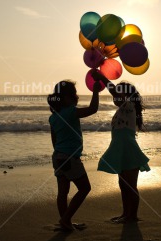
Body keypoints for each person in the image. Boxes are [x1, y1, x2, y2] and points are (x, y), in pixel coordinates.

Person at [92, 71, 150, 223]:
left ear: (127, 97)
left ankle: (133, 215)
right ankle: (125, 213)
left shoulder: (129, 106)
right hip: (120, 151)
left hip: (129, 151)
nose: (115, 97)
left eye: (118, 95)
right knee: (123, 185)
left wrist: (103, 78)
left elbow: (114, 90)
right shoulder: (120, 111)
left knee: (131, 186)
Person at [47, 79, 101, 231]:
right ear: (67, 97)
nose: (76, 96)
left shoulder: (53, 117)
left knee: (62, 192)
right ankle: (65, 220)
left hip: (57, 157)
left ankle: (65, 222)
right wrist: (96, 91)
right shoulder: (71, 112)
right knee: (85, 188)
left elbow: (54, 141)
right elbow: (93, 109)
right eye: (74, 94)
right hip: (70, 158)